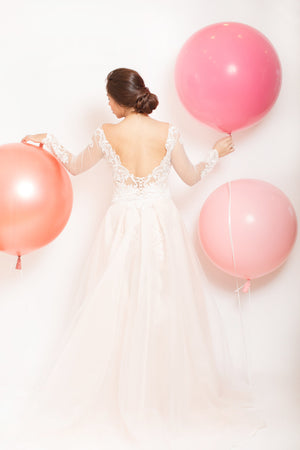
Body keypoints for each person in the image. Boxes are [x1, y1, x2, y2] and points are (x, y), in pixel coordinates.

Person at [16, 68, 266, 450]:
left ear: (120, 99)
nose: (107, 104)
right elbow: (190, 177)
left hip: (122, 224)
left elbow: (75, 165)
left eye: (109, 98)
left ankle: (130, 395)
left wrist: (48, 139)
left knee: (120, 304)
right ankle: (160, 396)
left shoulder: (107, 132)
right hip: (161, 223)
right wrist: (214, 154)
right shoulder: (167, 131)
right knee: (164, 304)